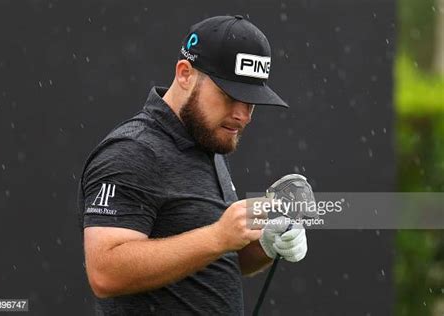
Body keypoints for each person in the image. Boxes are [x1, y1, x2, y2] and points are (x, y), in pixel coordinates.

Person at [77, 15, 308, 315]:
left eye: (251, 101)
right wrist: (217, 236)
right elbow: (105, 272)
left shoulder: (207, 143)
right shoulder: (132, 151)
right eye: (230, 95)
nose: (243, 115)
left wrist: (265, 245)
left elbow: (215, 260)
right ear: (185, 74)